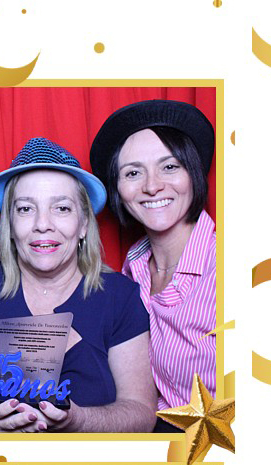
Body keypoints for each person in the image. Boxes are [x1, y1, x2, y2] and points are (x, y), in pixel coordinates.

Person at [0, 137, 156, 434]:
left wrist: (80, 421)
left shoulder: (120, 298)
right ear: (10, 226)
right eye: (25, 209)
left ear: (84, 224)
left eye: (62, 208)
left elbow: (143, 412)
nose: (43, 224)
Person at [90, 100, 216, 420]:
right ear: (118, 188)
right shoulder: (133, 267)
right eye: (133, 173)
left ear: (194, 173)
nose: (152, 186)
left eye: (169, 167)